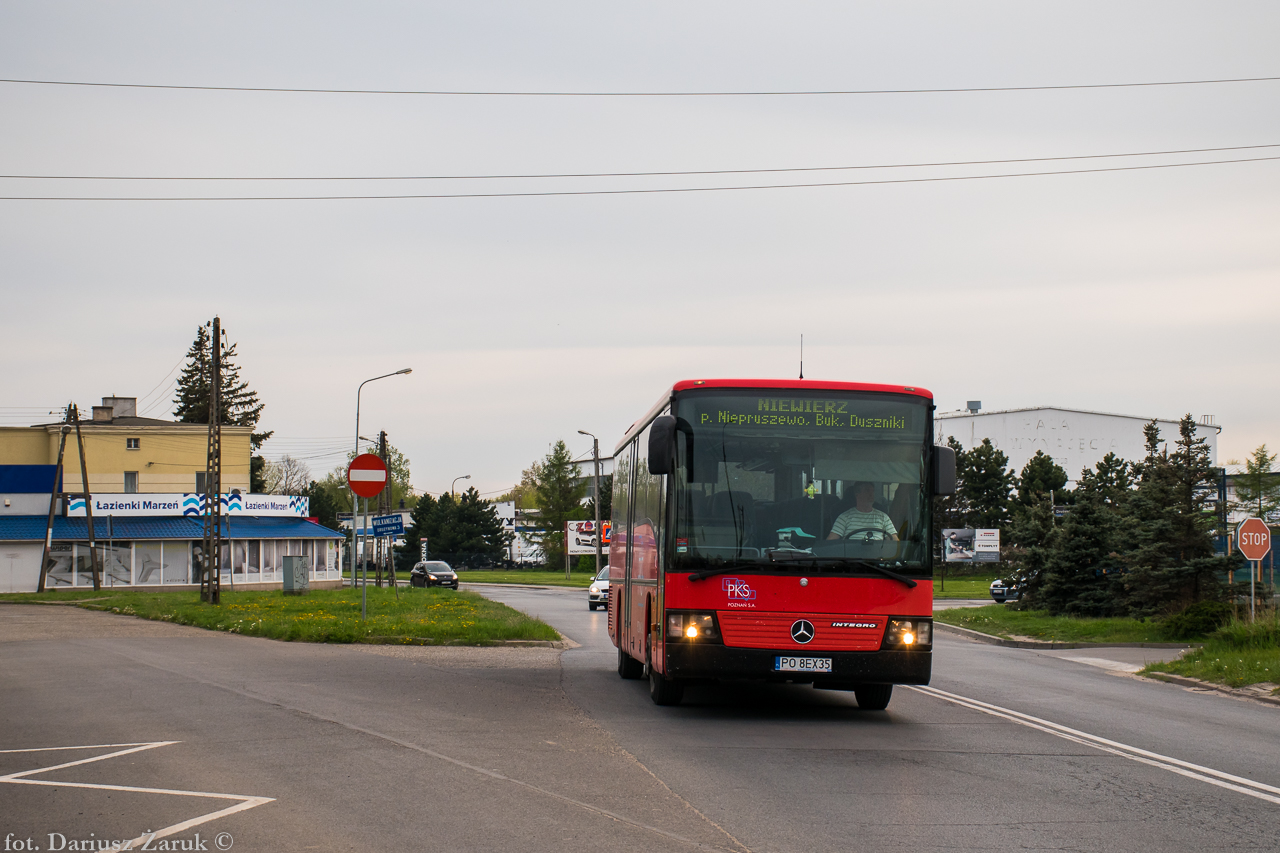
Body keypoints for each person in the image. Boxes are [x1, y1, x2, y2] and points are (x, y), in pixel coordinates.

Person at [827, 482, 898, 541]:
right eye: (867, 491)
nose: (871, 494)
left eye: (872, 491)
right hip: (851, 557)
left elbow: (895, 542)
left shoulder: (883, 517)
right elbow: (830, 542)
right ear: (857, 495)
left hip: (877, 556)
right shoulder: (844, 517)